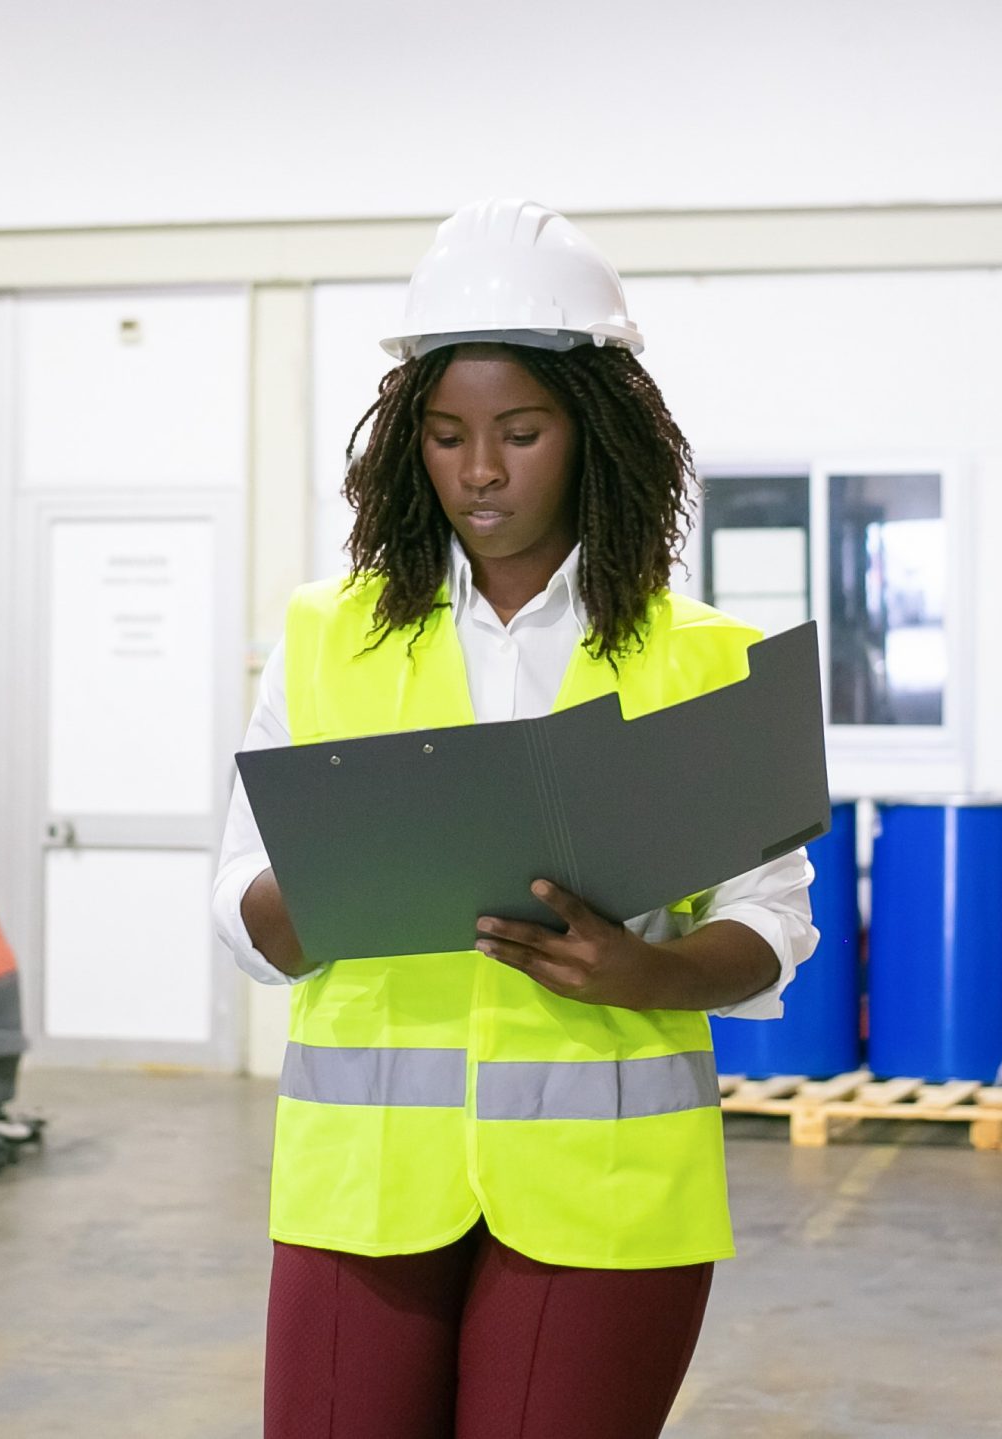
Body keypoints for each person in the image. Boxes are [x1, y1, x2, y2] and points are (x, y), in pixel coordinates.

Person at [212, 198, 820, 1439]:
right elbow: (243, 904)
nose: (479, 470)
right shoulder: (324, 635)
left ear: (592, 432)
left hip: (603, 1197)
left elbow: (772, 916)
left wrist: (648, 967)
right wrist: (313, 889)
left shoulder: (704, 656)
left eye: (521, 432)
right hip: (364, 1192)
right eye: (444, 436)